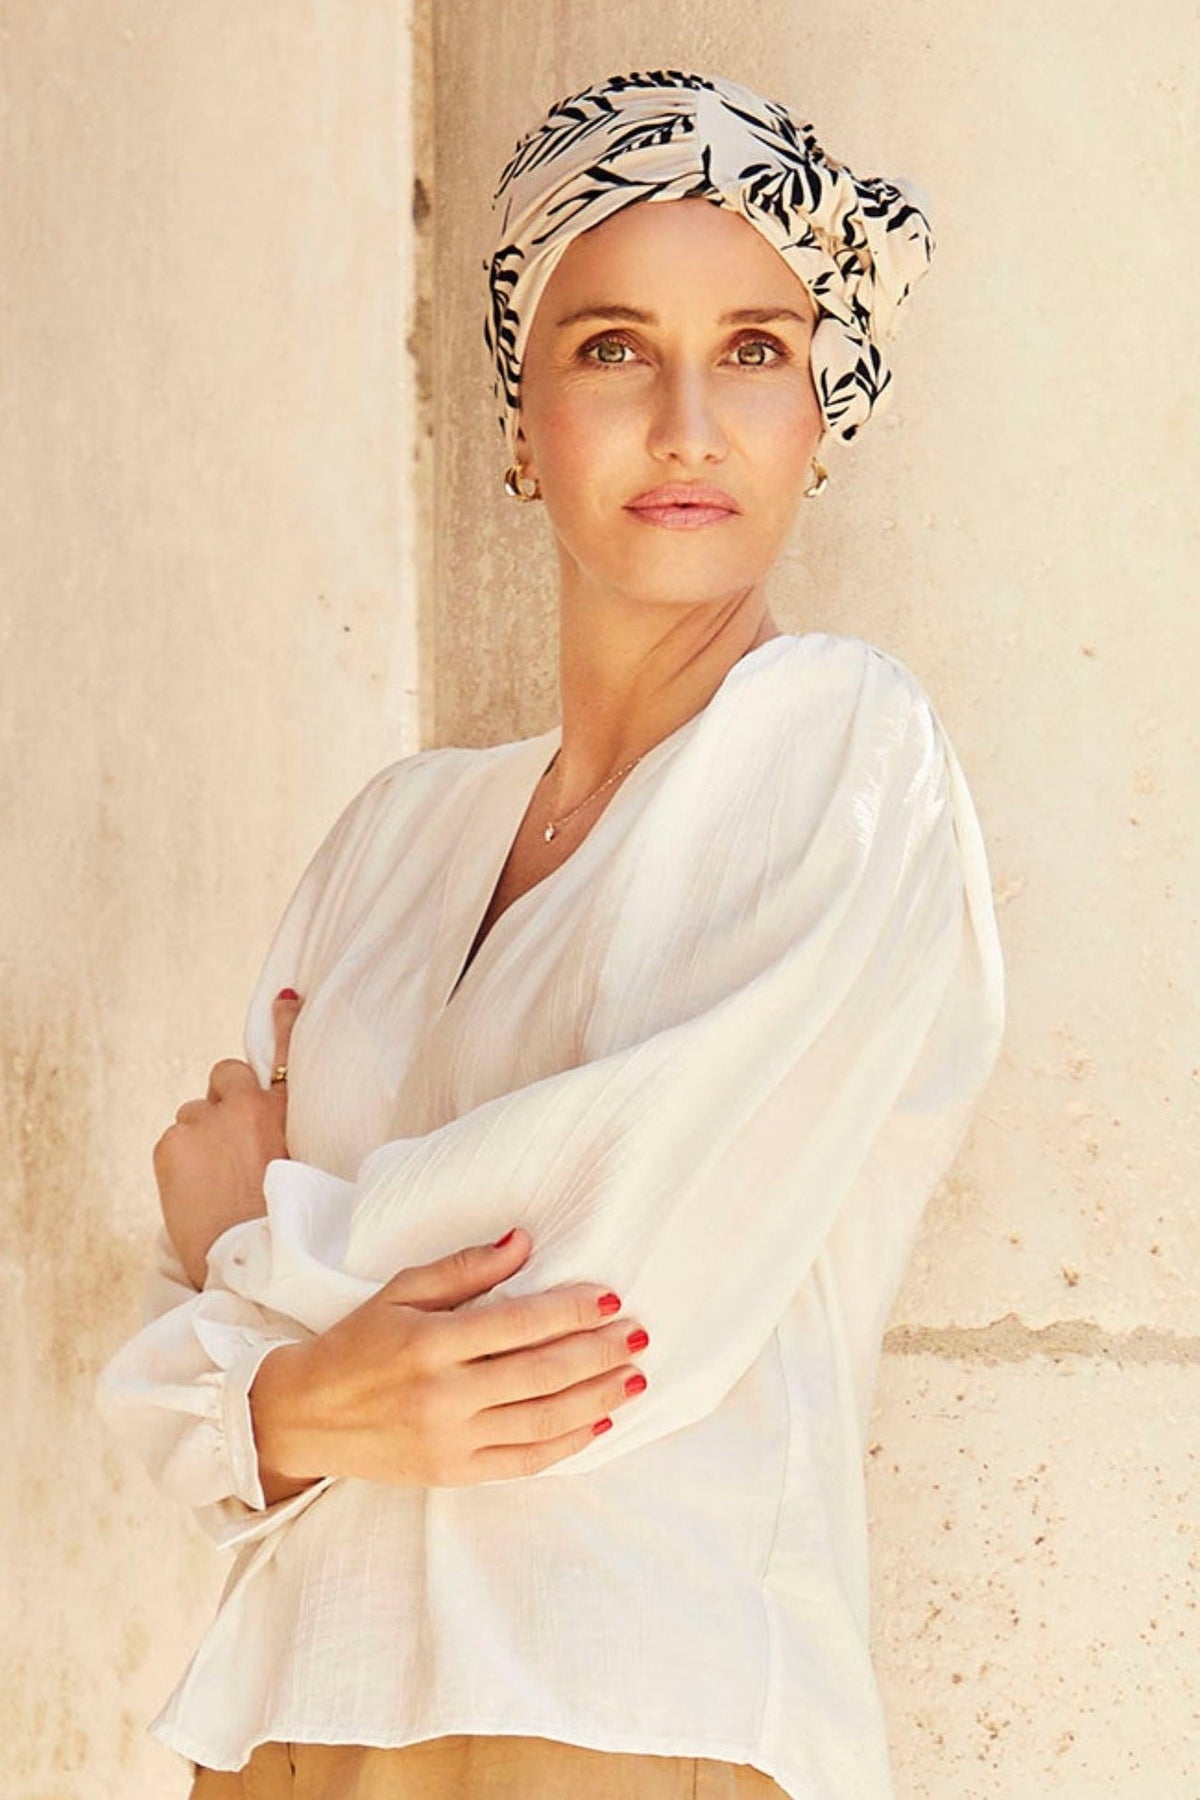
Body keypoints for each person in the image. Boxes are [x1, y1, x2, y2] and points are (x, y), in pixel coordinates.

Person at [96, 68, 1005, 1800]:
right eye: (612, 349)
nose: (688, 422)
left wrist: (246, 1262)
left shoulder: (840, 745)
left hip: (625, 1713)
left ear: (823, 415)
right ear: (520, 420)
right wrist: (277, 1401)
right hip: (291, 1720)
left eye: (755, 350)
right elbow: (170, 1396)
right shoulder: (394, 836)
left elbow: (587, 1316)